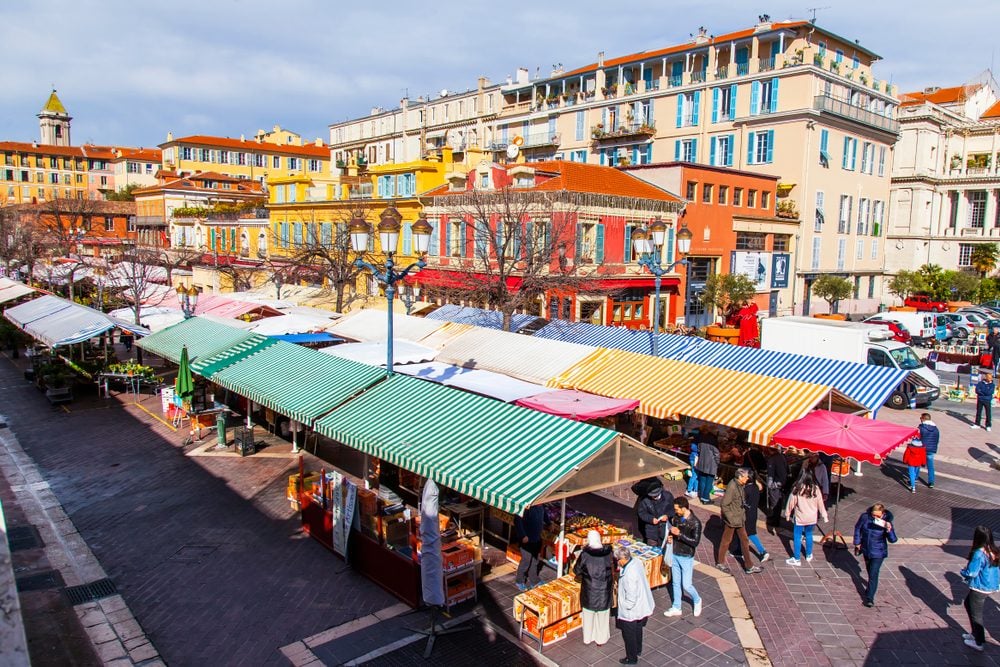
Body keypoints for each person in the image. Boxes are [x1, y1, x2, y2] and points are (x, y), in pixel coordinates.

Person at [959, 525, 1000, 652]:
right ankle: (974, 634)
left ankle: (979, 642)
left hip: (980, 587)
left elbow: (972, 572)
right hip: (991, 585)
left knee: (976, 614)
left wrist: (963, 572)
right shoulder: (994, 550)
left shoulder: (978, 553)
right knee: (967, 603)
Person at [715, 468, 763, 574]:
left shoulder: (740, 485)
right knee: (726, 541)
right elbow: (724, 504)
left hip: (740, 519)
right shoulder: (732, 487)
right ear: (740, 477)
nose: (747, 479)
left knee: (744, 541)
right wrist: (730, 518)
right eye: (746, 477)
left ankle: (749, 566)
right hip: (733, 520)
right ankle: (720, 562)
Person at [614, 544, 654, 665]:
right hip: (640, 605)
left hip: (631, 609)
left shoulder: (630, 575)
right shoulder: (635, 562)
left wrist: (625, 606)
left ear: (622, 559)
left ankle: (631, 658)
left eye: (618, 560)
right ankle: (638, 649)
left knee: (629, 634)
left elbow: (631, 596)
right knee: (638, 627)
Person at [663, 496, 702, 618]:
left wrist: (679, 534)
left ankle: (697, 599)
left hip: (686, 556)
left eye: (677, 509)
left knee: (686, 584)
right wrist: (671, 537)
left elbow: (695, 542)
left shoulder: (695, 523)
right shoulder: (676, 518)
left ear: (684, 508)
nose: (675, 511)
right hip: (675, 553)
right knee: (675, 582)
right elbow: (672, 531)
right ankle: (676, 606)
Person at [852, 503, 898, 607]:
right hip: (866, 549)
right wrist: (857, 542)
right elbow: (858, 528)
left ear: (883, 514)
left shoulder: (886, 522)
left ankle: (870, 598)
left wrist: (889, 529)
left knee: (873, 573)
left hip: (879, 552)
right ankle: (870, 589)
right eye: (873, 515)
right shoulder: (865, 517)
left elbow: (893, 540)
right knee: (869, 571)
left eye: (878, 516)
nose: (875, 518)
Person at [573, 530, 613, 646]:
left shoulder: (585, 555)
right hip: (604, 590)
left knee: (588, 615)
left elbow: (577, 570)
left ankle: (588, 638)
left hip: (589, 591)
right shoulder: (609, 553)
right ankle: (601, 639)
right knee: (603, 617)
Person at [784, 474, 828, 566]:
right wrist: (824, 515)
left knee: (797, 536)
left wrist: (787, 514)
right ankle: (808, 554)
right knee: (809, 534)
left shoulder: (797, 489)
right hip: (812, 518)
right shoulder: (816, 489)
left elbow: (790, 502)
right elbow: (820, 503)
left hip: (800, 518)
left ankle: (797, 558)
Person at [740, 470, 771, 563]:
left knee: (749, 534)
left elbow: (743, 502)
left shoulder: (746, 489)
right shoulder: (756, 487)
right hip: (753, 513)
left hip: (747, 514)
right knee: (746, 533)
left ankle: (763, 551)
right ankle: (739, 550)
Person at [513, 504, 545, 591]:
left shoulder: (541, 505)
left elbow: (544, 514)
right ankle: (519, 580)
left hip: (537, 538)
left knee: (535, 560)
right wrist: (523, 535)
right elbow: (517, 521)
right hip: (526, 539)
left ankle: (534, 580)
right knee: (526, 560)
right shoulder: (525, 507)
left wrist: (549, 523)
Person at [636, 480, 674, 547]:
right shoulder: (645, 500)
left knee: (664, 549)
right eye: (652, 496)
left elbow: (673, 510)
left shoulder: (668, 496)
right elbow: (641, 513)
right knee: (651, 549)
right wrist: (651, 519)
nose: (654, 498)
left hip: (665, 529)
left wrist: (667, 516)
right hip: (651, 531)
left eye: (655, 496)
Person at [765, 447, 789, 531]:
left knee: (775, 503)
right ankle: (775, 519)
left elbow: (771, 474)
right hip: (780, 484)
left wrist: (771, 485)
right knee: (777, 503)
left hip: (776, 484)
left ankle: (774, 521)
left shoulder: (773, 459)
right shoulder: (781, 456)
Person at [694, 429, 720, 505]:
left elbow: (698, 450)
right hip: (711, 465)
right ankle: (705, 498)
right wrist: (717, 463)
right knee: (709, 482)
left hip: (702, 463)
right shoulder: (714, 441)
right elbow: (717, 454)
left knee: (702, 481)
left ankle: (702, 496)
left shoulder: (702, 439)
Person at [917, 413, 940, 488]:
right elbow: (937, 440)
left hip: (922, 448)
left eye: (921, 418)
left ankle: (914, 479)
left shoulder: (921, 427)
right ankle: (931, 482)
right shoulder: (936, 429)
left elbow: (917, 438)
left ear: (923, 419)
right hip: (931, 450)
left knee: (917, 464)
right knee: (930, 466)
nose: (920, 419)